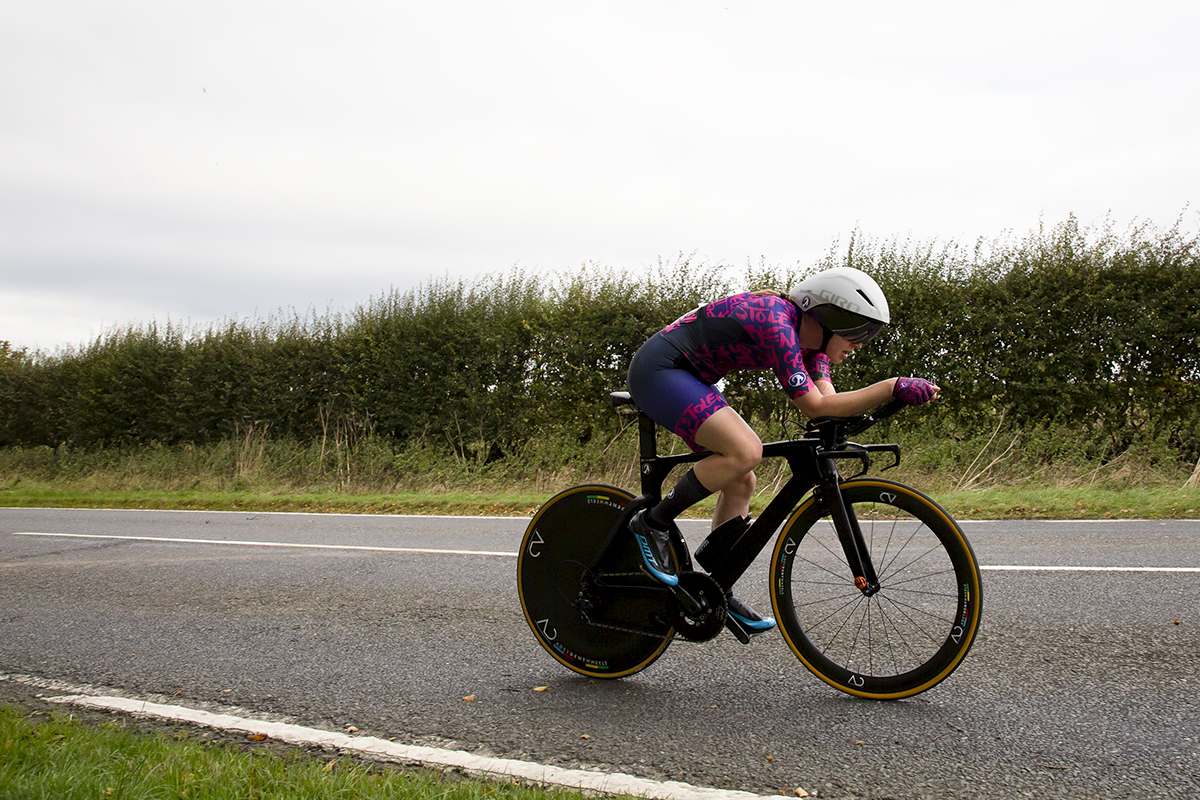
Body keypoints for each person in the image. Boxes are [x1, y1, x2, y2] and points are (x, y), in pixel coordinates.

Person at [625, 266, 940, 633]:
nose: (858, 346)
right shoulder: (776, 320)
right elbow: (814, 408)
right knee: (745, 452)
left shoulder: (813, 350)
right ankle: (652, 522)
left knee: (741, 479)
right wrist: (890, 387)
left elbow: (829, 405)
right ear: (831, 317)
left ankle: (718, 586)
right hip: (660, 370)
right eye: (857, 335)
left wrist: (880, 405)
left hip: (689, 377)